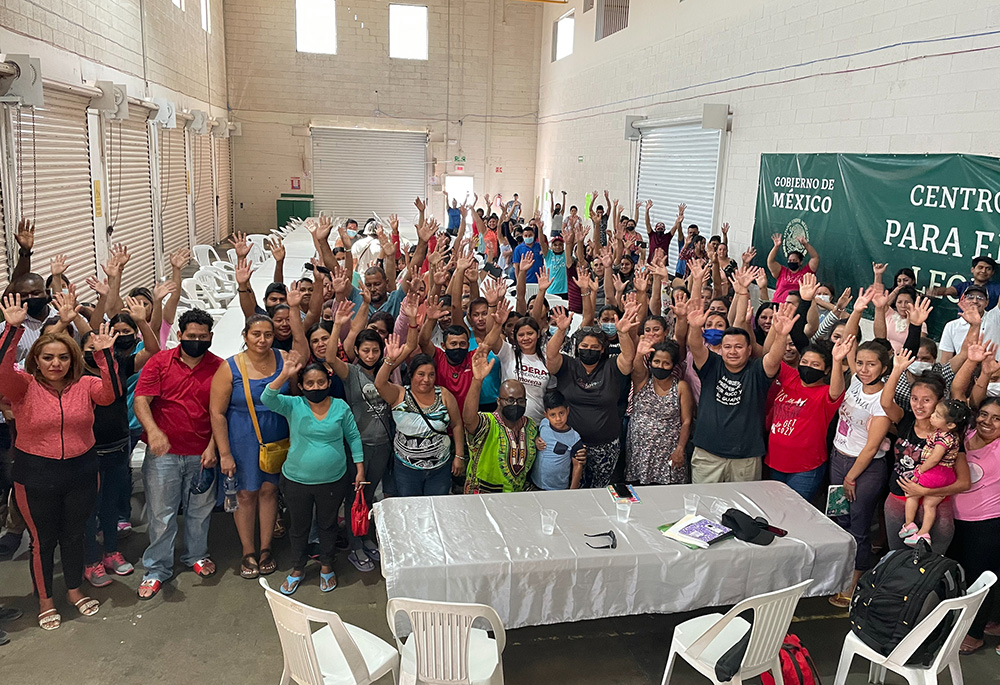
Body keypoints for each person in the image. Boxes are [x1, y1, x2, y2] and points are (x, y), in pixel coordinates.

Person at [0, 292, 121, 630]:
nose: (56, 364)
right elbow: (1, 371)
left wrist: (105, 353)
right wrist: (13, 331)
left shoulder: (85, 384)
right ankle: (45, 600)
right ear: (36, 361)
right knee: (43, 540)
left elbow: (110, 394)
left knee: (75, 536)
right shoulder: (22, 387)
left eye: (63, 357)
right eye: (48, 357)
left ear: (73, 360)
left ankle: (73, 591)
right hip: (35, 473)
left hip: (81, 470)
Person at [133, 309, 223, 600]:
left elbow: (219, 413)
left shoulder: (219, 367)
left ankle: (196, 555)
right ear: (180, 335)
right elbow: (141, 401)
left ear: (210, 337)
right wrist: (154, 431)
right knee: (162, 514)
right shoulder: (160, 362)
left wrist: (213, 447)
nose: (196, 340)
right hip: (164, 455)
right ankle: (157, 568)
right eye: (191, 336)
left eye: (202, 336)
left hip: (202, 453)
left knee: (200, 511)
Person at [260, 351, 364, 595]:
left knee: (328, 525)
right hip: (296, 481)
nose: (315, 387)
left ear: (328, 383)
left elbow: (353, 437)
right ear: (302, 385)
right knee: (299, 527)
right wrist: (285, 373)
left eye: (320, 382)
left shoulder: (340, 406)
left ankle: (327, 565)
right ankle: (297, 568)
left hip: (333, 480)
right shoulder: (293, 404)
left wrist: (359, 469)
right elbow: (267, 397)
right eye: (309, 383)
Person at [82, 297, 161, 588]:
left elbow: (152, 350)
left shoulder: (120, 366)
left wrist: (142, 321)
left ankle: (111, 552)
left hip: (116, 448)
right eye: (91, 349)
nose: (97, 353)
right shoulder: (74, 375)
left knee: (111, 506)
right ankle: (91, 560)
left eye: (102, 348)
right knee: (90, 507)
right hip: (87, 451)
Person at [209, 315, 291, 581]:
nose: (262, 340)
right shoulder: (230, 367)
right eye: (256, 334)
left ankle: (266, 548)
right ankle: (248, 550)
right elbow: (217, 412)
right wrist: (224, 452)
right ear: (245, 335)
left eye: (268, 334)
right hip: (243, 437)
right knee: (245, 494)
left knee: (269, 490)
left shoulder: (283, 358)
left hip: (278, 435)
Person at [918, 397, 1000, 655]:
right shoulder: (964, 435)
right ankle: (953, 625)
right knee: (955, 574)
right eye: (984, 414)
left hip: (987, 523)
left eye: (997, 418)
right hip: (954, 518)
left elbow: (963, 483)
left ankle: (974, 634)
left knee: (980, 579)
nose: (988, 421)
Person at [686, 296, 795, 483]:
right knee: (703, 506)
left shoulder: (757, 371)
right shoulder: (712, 365)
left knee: (742, 509)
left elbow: (773, 358)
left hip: (746, 457)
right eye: (727, 347)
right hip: (707, 454)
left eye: (738, 347)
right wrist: (695, 327)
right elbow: (696, 347)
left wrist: (782, 335)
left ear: (749, 349)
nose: (732, 351)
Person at [326, 301, 396, 572]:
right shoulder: (352, 373)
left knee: (369, 496)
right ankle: (355, 546)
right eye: (365, 350)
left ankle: (365, 538)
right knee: (354, 497)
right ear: (356, 351)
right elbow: (331, 357)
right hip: (358, 446)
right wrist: (337, 326)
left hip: (383, 445)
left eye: (375, 350)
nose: (370, 354)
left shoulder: (385, 371)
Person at [827, 336, 893, 608]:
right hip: (838, 459)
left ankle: (854, 585)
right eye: (860, 363)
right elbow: (833, 393)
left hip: (863, 469)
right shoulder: (855, 382)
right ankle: (839, 576)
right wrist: (836, 360)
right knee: (839, 520)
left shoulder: (882, 400)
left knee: (859, 527)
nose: (864, 369)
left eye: (872, 364)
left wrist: (851, 477)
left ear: (884, 368)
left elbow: (871, 446)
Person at [546, 302, 638, 488]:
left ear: (602, 349)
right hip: (570, 443)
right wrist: (561, 331)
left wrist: (622, 333)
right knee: (569, 489)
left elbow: (628, 358)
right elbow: (550, 356)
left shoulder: (612, 367)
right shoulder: (568, 365)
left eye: (595, 347)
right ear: (578, 347)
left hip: (605, 445)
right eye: (585, 346)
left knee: (598, 492)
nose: (589, 350)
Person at [882, 353, 964, 555]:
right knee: (897, 557)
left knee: (931, 562)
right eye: (914, 399)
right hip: (897, 501)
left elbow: (964, 483)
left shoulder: (949, 436)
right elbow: (885, 403)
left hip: (935, 505)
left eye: (926, 400)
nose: (918, 405)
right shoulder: (906, 421)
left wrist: (925, 492)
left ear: (940, 401)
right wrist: (897, 370)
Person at [375, 336, 464, 497]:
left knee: (437, 509)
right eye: (421, 374)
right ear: (412, 374)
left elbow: (457, 424)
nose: (426, 379)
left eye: (431, 374)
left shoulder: (444, 394)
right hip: (406, 469)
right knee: (411, 510)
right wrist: (390, 360)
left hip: (440, 468)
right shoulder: (399, 394)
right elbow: (379, 384)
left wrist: (459, 455)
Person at [765, 338, 850, 501]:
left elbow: (837, 391)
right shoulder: (790, 377)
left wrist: (837, 360)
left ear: (826, 370)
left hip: (805, 469)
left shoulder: (826, 393)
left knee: (795, 513)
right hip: (775, 461)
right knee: (774, 509)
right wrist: (781, 333)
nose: (808, 367)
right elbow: (770, 356)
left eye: (815, 365)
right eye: (804, 362)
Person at [461, 346, 538, 494]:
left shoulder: (530, 426)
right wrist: (477, 381)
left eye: (520, 401)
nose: (515, 404)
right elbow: (469, 419)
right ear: (498, 401)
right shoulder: (488, 423)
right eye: (509, 400)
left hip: (515, 496)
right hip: (483, 495)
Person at [897, 398, 969, 546]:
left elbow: (935, 458)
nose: (932, 416)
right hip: (947, 474)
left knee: (911, 494)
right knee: (930, 505)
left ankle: (909, 524)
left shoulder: (943, 438)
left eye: (937, 415)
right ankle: (923, 533)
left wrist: (920, 470)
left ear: (950, 424)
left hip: (935, 472)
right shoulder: (953, 437)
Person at [626, 338, 694, 485]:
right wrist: (639, 354)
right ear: (650, 362)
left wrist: (680, 449)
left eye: (666, 363)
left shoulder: (681, 387)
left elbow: (686, 421)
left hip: (669, 453)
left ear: (673, 365)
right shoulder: (643, 381)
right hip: (640, 452)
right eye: (656, 362)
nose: (660, 366)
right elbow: (637, 369)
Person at [496, 316, 549, 422]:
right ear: (515, 336)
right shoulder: (508, 351)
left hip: (536, 422)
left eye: (530, 333)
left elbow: (550, 393)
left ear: (538, 334)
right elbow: (492, 340)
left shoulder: (546, 359)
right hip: (507, 421)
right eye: (521, 335)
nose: (525, 338)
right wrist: (497, 323)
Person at [530, 390, 586, 490]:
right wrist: (536, 440)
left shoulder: (574, 437)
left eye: (561, 413)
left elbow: (577, 465)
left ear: (567, 411)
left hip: (557, 488)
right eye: (553, 415)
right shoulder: (544, 424)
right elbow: (538, 436)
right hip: (535, 483)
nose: (558, 419)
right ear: (546, 415)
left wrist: (572, 491)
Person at [927, 255, 1000, 309]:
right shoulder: (963, 286)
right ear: (972, 270)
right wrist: (935, 291)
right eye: (980, 267)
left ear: (992, 272)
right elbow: (947, 290)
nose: (983, 271)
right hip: (962, 325)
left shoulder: (997, 288)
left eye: (988, 269)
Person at [767, 233, 820, 304]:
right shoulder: (782, 271)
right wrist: (776, 247)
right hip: (777, 304)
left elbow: (815, 257)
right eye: (790, 260)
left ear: (800, 262)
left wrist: (805, 244)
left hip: (796, 307)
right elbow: (770, 261)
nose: (792, 262)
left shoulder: (806, 272)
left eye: (795, 260)